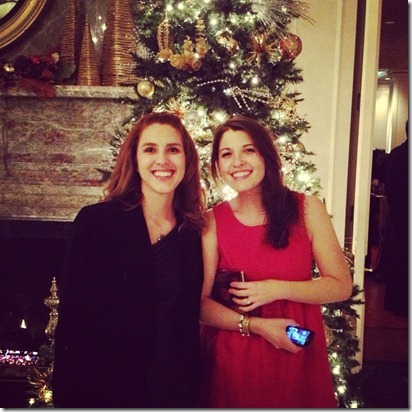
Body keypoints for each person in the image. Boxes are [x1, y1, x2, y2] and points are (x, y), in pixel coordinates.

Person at [53, 111, 205, 408]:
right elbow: (72, 324)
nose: (162, 160)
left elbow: (188, 320)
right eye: (150, 149)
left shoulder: (191, 232)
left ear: (187, 160)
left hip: (172, 388)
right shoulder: (97, 222)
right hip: (107, 389)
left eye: (173, 149)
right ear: (134, 160)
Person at [199, 115, 352, 408]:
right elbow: (201, 305)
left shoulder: (308, 208)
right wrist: (256, 325)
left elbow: (341, 285)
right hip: (234, 361)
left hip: (295, 358)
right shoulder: (212, 221)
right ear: (217, 165)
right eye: (226, 154)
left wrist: (275, 289)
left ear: (266, 155)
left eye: (249, 150)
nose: (237, 162)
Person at [380, 120, 408, 316]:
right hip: (402, 214)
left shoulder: (397, 154)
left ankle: (396, 303)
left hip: (399, 214)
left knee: (398, 260)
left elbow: (390, 187)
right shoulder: (399, 155)